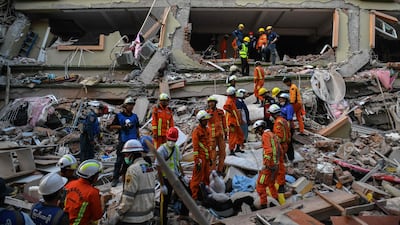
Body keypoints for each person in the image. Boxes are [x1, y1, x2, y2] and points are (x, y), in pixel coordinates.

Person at [109, 139, 156, 225]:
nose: (125, 157)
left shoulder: (132, 170)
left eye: (126, 154)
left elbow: (128, 197)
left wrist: (118, 213)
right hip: (148, 215)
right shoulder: (149, 167)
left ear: (132, 154)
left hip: (133, 219)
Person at [155, 127, 188, 225]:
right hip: (166, 179)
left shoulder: (176, 148)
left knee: (186, 193)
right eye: (170, 140)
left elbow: (178, 163)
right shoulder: (162, 149)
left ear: (176, 140)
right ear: (166, 138)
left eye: (173, 140)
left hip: (176, 177)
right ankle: (163, 221)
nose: (171, 142)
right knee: (164, 202)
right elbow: (158, 167)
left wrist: (183, 176)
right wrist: (162, 185)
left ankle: (183, 214)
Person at [109, 96, 140, 187]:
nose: (131, 106)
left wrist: (138, 138)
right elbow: (111, 127)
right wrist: (122, 127)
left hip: (133, 142)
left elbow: (137, 127)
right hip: (123, 141)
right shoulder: (119, 116)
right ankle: (115, 178)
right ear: (125, 106)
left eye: (132, 105)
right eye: (129, 105)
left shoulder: (135, 117)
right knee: (119, 160)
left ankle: (128, 176)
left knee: (132, 161)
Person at [64, 159, 104, 225]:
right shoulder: (92, 193)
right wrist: (102, 203)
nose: (98, 177)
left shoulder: (70, 184)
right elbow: (97, 216)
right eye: (97, 175)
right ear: (91, 177)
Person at [253, 120, 282, 208]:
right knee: (271, 184)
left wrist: (266, 164)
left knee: (260, 185)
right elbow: (280, 150)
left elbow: (268, 151)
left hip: (269, 167)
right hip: (276, 165)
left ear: (261, 128)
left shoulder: (265, 136)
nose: (258, 133)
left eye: (258, 130)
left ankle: (263, 206)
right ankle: (275, 201)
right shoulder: (273, 135)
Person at [268, 104, 291, 205]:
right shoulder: (284, 120)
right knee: (281, 164)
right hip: (285, 144)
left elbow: (279, 137)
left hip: (280, 145)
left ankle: (281, 185)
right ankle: (280, 181)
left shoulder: (277, 123)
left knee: (280, 165)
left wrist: (272, 140)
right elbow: (288, 133)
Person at [190, 110, 212, 201]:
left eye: (207, 120)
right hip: (200, 159)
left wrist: (210, 158)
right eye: (205, 120)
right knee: (196, 178)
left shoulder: (207, 130)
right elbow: (195, 148)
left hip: (206, 159)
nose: (207, 121)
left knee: (206, 177)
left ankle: (206, 194)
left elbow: (208, 145)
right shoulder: (196, 131)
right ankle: (194, 197)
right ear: (200, 120)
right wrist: (197, 160)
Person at [206, 95, 227, 173]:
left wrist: (225, 133)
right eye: (210, 102)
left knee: (223, 153)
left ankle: (220, 170)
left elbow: (224, 124)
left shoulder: (220, 112)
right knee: (213, 155)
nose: (211, 104)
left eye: (212, 102)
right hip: (212, 136)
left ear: (215, 103)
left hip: (220, 135)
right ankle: (213, 171)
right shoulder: (207, 113)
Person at [224, 87, 244, 155]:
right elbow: (225, 107)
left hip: (235, 122)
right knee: (232, 136)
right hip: (232, 122)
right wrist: (231, 113)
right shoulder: (229, 100)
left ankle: (237, 148)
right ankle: (231, 150)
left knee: (239, 135)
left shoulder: (232, 100)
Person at [278, 93, 295, 162]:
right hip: (283, 127)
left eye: (281, 99)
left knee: (289, 143)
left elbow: (289, 119)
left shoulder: (289, 107)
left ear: (285, 99)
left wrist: (287, 129)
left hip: (288, 127)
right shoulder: (282, 107)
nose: (280, 100)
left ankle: (291, 158)